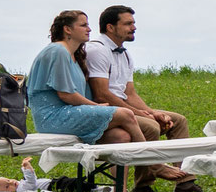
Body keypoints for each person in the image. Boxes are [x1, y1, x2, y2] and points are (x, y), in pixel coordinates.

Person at [81, 4, 201, 192]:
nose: (134, 27)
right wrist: (142, 115)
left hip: (121, 105)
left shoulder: (125, 54)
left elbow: (130, 93)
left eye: (133, 23)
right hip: (103, 109)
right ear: (110, 27)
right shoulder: (98, 50)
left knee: (178, 121)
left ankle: (185, 183)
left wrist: (151, 111)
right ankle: (145, 184)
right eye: (128, 23)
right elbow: (101, 94)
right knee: (150, 127)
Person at [27, 13, 150, 173]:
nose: (89, 29)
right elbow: (66, 95)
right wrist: (97, 106)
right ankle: (153, 164)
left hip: (68, 113)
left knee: (120, 137)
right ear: (67, 29)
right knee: (125, 115)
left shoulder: (73, 55)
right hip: (53, 117)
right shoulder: (58, 51)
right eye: (83, 25)